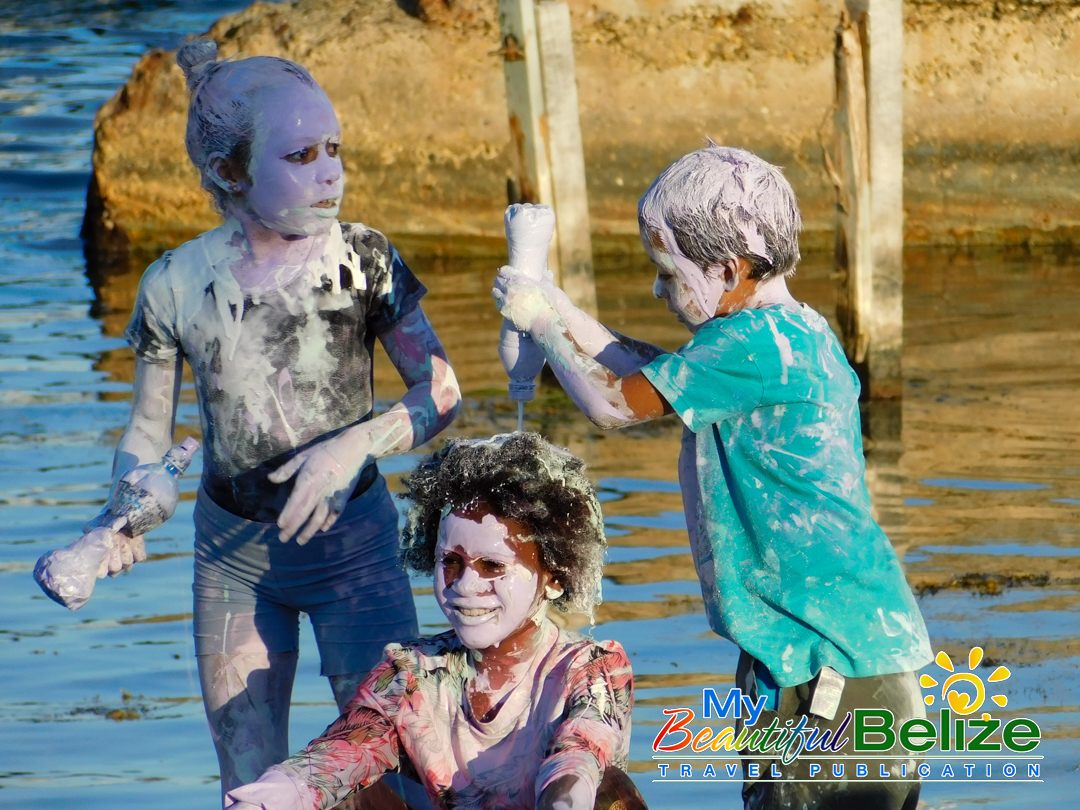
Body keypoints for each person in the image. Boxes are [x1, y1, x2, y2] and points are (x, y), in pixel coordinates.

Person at [492, 145, 932, 810]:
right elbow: (656, 376)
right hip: (843, 651)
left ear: (727, 269)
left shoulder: (752, 345)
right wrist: (561, 310)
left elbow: (613, 404)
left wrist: (543, 325)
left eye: (667, 272)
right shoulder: (793, 332)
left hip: (825, 667)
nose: (657, 289)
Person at [93, 39, 461, 797]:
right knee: (250, 784)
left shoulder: (365, 260)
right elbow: (148, 431)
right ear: (229, 172)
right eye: (300, 156)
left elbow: (442, 390)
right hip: (233, 561)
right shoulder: (175, 284)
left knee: (399, 774)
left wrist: (354, 446)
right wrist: (121, 516)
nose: (330, 173)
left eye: (335, 149)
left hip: (355, 552)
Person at [225, 432, 645, 810]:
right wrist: (280, 791)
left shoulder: (593, 669)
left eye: (493, 566)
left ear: (554, 577)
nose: (465, 585)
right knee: (348, 800)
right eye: (451, 562)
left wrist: (566, 799)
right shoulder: (411, 674)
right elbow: (344, 750)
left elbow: (578, 756)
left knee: (609, 792)